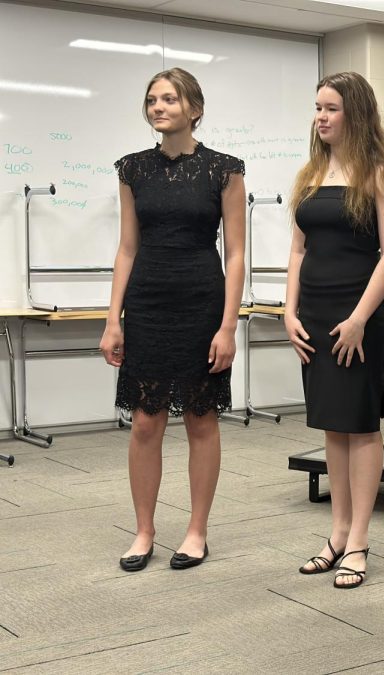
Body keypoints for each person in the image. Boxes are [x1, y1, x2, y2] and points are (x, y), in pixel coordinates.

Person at [100, 67, 246, 572]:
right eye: (151, 100)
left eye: (168, 99)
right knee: (145, 422)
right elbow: (125, 248)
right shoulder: (132, 169)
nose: (157, 107)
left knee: (201, 420)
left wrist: (228, 326)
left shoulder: (224, 169)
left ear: (194, 108)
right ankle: (144, 531)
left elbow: (237, 253)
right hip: (147, 304)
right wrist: (112, 318)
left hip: (201, 304)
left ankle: (196, 531)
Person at [287, 72, 384, 589]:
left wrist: (359, 318)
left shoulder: (380, 172)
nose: (321, 117)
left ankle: (358, 541)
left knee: (359, 425)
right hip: (313, 314)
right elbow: (298, 251)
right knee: (332, 426)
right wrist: (287, 312)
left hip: (360, 316)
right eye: (317, 107)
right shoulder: (310, 173)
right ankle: (335, 533)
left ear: (355, 113)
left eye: (331, 108)